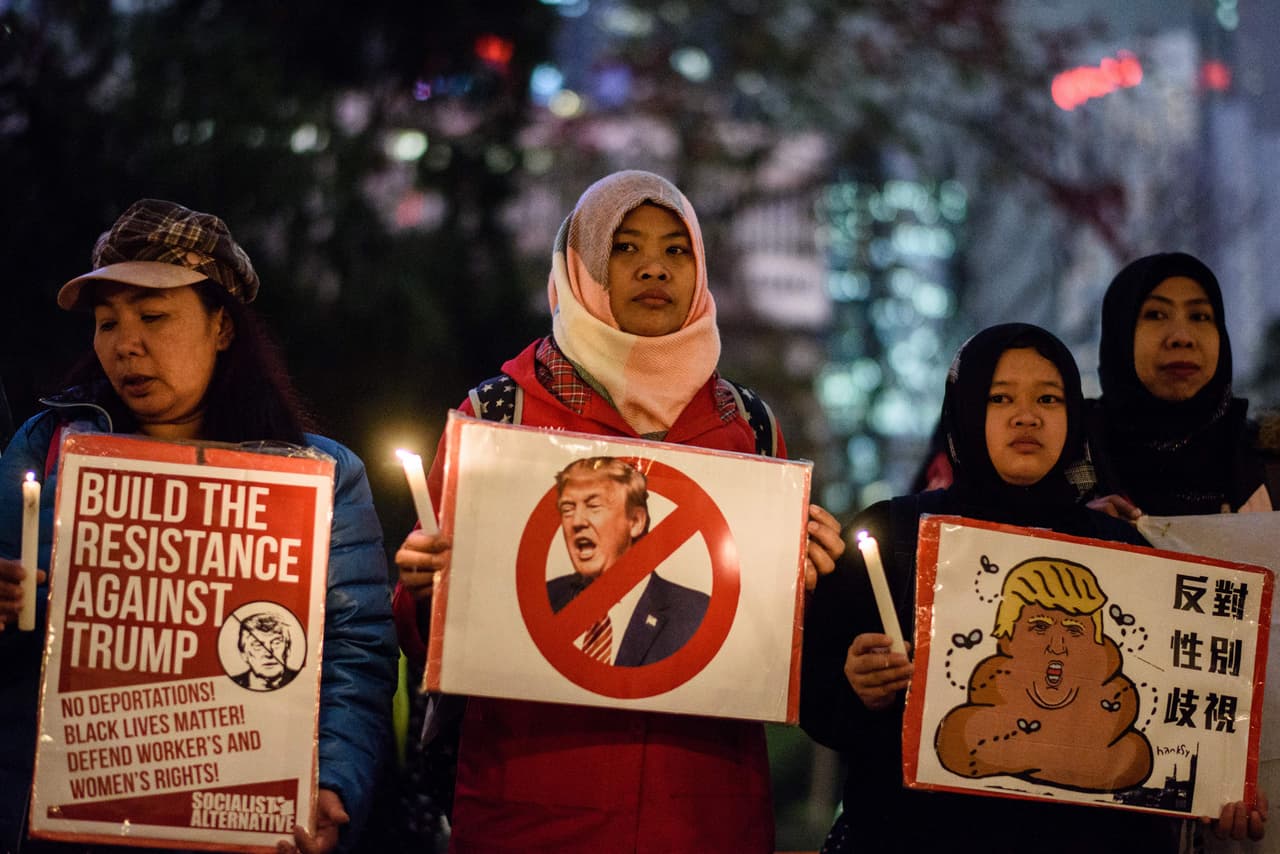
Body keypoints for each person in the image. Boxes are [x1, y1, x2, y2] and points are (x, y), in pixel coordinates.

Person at [392, 169, 844, 853]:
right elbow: (427, 637)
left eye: (676, 249)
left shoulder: (750, 428)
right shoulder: (497, 417)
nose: (654, 268)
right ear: (580, 270)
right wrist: (424, 586)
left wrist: (810, 579)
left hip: (705, 816)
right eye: (625, 248)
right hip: (530, 814)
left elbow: (770, 645)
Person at [0, 199, 397, 854]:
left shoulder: (322, 478)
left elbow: (356, 652)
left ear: (222, 327)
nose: (125, 344)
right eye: (106, 323)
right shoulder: (44, 450)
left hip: (235, 826)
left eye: (153, 316)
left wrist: (333, 781)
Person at [801, 322, 1184, 853]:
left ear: (1073, 414)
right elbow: (819, 705)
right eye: (999, 398)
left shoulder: (1123, 554)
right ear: (963, 410)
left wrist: (1218, 787)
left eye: (1048, 398)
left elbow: (1168, 726)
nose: (1027, 416)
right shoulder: (890, 536)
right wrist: (858, 688)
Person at [1088, 251, 1277, 519]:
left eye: (1200, 316)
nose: (1182, 337)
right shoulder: (1064, 452)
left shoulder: (1268, 463)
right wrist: (1074, 526)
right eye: (1155, 314)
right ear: (1120, 334)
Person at [549, 456, 708, 666]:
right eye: (568, 509)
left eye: (594, 506)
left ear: (635, 521)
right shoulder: (548, 597)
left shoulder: (696, 615)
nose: (577, 521)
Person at [231, 612, 302, 691]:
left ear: (288, 649)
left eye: (276, 643)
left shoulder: (302, 681)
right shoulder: (229, 685)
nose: (268, 653)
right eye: (258, 645)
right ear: (243, 654)